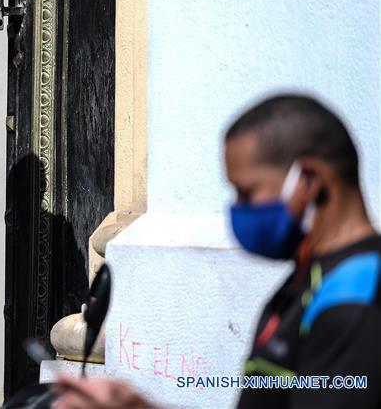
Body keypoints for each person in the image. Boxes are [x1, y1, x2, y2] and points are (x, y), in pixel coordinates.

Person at [53, 94, 381, 409]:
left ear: (310, 179)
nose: (237, 210)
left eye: (247, 192)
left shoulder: (357, 298)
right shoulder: (306, 283)